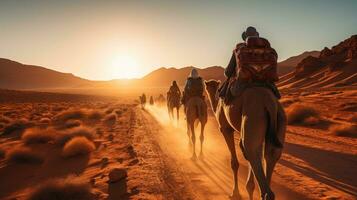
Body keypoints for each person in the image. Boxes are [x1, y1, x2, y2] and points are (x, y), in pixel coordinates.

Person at [219, 26, 281, 103]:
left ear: (245, 37)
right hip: (266, 83)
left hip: (243, 83)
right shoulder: (267, 49)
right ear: (257, 36)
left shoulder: (239, 48)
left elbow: (228, 72)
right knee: (276, 98)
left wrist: (227, 72)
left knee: (227, 99)